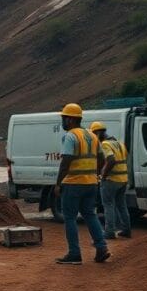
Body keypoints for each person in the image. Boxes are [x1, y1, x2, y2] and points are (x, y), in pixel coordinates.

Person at [54, 103, 110, 265]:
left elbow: (66, 161)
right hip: (91, 183)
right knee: (90, 215)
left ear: (70, 119)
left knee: (70, 218)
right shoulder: (92, 136)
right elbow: (102, 159)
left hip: (73, 183)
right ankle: (101, 247)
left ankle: (74, 254)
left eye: (64, 118)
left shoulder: (70, 136)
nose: (63, 121)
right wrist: (95, 174)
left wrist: (58, 183)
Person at [93, 121, 131, 239]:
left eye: (94, 134)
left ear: (98, 132)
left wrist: (103, 176)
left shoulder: (105, 144)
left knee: (108, 205)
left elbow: (111, 160)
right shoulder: (119, 143)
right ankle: (126, 230)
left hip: (111, 180)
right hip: (123, 179)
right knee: (122, 205)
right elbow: (125, 158)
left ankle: (109, 231)